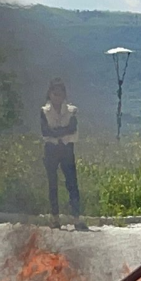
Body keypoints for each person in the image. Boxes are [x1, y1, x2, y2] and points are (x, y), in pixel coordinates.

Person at [40, 78, 85, 230]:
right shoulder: (44, 111)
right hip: (51, 150)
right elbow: (45, 131)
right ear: (50, 94)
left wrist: (57, 133)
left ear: (64, 95)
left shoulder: (72, 110)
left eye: (60, 94)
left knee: (72, 183)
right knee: (52, 185)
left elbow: (72, 128)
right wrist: (61, 132)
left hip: (66, 149)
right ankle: (54, 217)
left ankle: (77, 217)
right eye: (54, 93)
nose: (57, 97)